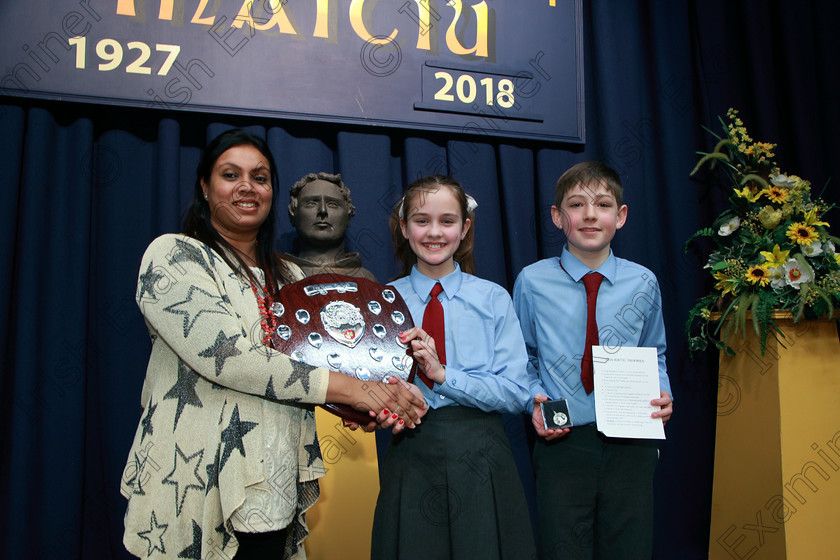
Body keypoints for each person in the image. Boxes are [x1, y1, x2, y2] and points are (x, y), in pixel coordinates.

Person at [120, 129, 425, 560]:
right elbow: (231, 358)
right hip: (195, 489)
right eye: (231, 174)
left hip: (273, 497)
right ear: (206, 188)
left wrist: (367, 404)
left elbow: (312, 366)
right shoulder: (175, 256)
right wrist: (356, 390)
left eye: (259, 177)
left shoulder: (290, 279)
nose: (247, 186)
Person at [512, 161, 673, 559]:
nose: (588, 215)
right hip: (562, 440)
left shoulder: (643, 282)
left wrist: (663, 392)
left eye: (602, 204)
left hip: (631, 439)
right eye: (576, 204)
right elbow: (521, 359)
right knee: (563, 547)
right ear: (556, 217)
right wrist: (533, 398)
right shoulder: (532, 281)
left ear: (619, 216)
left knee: (629, 547)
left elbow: (657, 354)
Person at [371, 175, 537, 560]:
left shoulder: (493, 298)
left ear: (464, 229)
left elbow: (516, 391)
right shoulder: (383, 301)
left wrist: (444, 376)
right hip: (411, 451)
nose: (434, 232)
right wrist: (385, 402)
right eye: (421, 220)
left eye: (447, 221)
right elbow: (369, 386)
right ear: (404, 227)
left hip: (482, 454)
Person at [285, 172, 376, 281]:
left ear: (348, 214)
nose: (322, 210)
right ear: (293, 213)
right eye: (311, 203)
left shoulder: (366, 280)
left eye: (332, 204)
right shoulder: (277, 277)